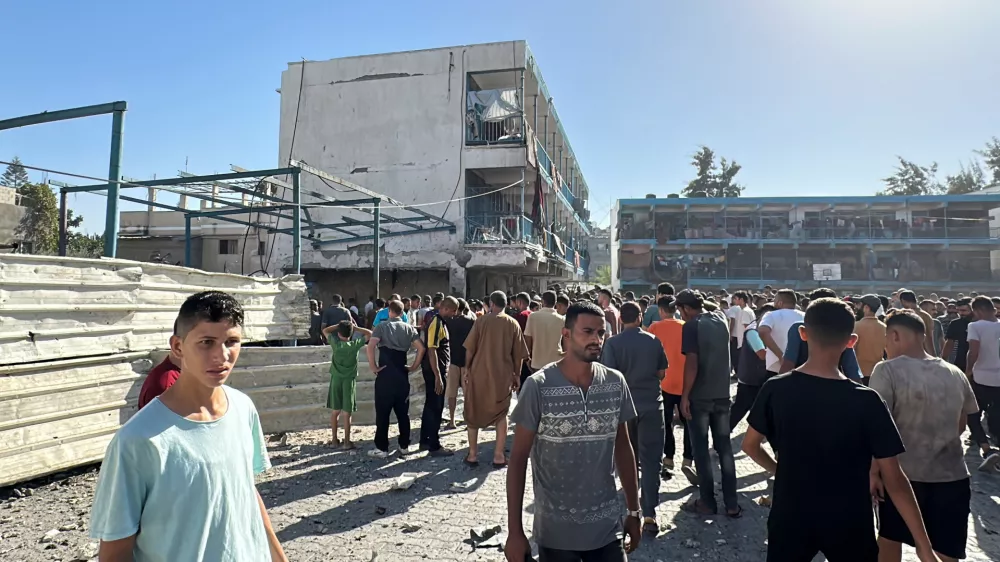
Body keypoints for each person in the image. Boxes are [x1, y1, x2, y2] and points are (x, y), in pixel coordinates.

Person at [89, 291, 288, 562]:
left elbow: (244, 492)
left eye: (231, 341)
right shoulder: (137, 440)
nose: (222, 355)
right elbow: (115, 552)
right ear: (178, 347)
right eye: (206, 342)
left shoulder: (243, 409)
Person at [741, 298, 938, 562]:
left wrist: (781, 470)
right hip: (850, 519)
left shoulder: (775, 389)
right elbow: (895, 478)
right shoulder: (867, 400)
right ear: (851, 341)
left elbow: (750, 446)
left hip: (791, 514)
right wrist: (923, 545)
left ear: (802, 334)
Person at [505, 302, 641, 562]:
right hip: (556, 534)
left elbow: (623, 447)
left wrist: (634, 511)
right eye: (587, 331)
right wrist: (515, 531)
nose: (596, 339)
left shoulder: (615, 383)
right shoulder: (538, 387)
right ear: (566, 335)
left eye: (601, 333)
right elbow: (519, 459)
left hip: (607, 528)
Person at [870, 310, 978, 562]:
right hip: (953, 475)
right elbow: (962, 425)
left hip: (902, 478)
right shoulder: (954, 372)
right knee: (948, 550)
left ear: (894, 335)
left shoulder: (886, 370)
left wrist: (873, 471)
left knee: (889, 539)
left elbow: (877, 429)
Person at [600, 302, 668, 533]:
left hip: (623, 409)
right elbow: (661, 372)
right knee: (651, 460)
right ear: (640, 317)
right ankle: (649, 512)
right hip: (651, 405)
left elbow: (607, 378)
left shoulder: (612, 344)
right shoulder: (653, 340)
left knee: (626, 458)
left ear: (621, 320)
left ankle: (632, 508)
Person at [676, 290, 740, 517]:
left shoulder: (691, 326)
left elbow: (692, 363)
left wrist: (684, 396)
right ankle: (732, 504)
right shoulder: (720, 318)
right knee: (724, 449)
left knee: (701, 450)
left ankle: (707, 502)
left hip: (700, 397)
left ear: (685, 308)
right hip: (722, 394)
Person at [463, 291, 529, 467]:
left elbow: (469, 349)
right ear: (506, 304)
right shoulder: (512, 323)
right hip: (502, 376)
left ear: (491, 304)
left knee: (473, 411)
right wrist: (516, 375)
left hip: (479, 374)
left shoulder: (481, 321)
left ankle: (472, 455)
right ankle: (499, 456)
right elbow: (518, 356)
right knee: (501, 414)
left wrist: (467, 369)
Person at [366, 300, 425, 458]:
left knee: (383, 413)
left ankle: (382, 448)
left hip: (385, 373)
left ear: (389, 311)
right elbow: (421, 348)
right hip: (401, 372)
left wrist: (373, 366)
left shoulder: (382, 327)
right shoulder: (409, 328)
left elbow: (370, 346)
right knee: (403, 413)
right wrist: (413, 367)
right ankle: (404, 445)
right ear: (402, 312)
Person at [778, 288, 863, 380]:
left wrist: (779, 385)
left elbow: (788, 363)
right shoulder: (841, 331)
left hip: (799, 383)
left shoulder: (798, 328)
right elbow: (852, 370)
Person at [648, 296, 690, 478]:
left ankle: (668, 458)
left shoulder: (655, 328)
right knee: (689, 423)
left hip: (663, 383)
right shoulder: (686, 327)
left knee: (665, 423)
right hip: (686, 383)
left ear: (661, 310)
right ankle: (688, 459)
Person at [321, 320, 372, 449]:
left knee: (335, 411)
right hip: (349, 380)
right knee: (347, 413)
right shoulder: (354, 345)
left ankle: (334, 440)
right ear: (350, 334)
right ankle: (347, 442)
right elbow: (370, 333)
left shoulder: (335, 344)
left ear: (339, 333)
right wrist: (356, 328)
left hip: (336, 379)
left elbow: (325, 331)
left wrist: (338, 325)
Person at [419, 296, 457, 456]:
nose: (454, 314)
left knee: (431, 405)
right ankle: (434, 445)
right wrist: (438, 376)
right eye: (453, 311)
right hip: (435, 370)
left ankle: (425, 441)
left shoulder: (439, 322)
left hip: (436, 370)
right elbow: (432, 349)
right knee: (436, 406)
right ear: (446, 309)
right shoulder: (437, 322)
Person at [966, 295, 1000, 470]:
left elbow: (973, 352)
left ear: (978, 310)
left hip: (981, 378)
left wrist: (968, 371)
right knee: (996, 416)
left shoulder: (975, 326)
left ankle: (986, 449)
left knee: (972, 414)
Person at [729, 304, 773, 431]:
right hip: (750, 379)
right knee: (740, 408)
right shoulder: (753, 331)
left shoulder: (763, 329)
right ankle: (722, 435)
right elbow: (762, 354)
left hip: (759, 377)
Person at [444, 298, 476, 429]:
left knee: (452, 393)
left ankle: (452, 421)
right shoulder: (471, 322)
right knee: (467, 392)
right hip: (467, 361)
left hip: (452, 360)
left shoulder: (448, 321)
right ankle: (468, 419)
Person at [758, 289, 804, 378]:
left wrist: (781, 356)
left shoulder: (770, 315)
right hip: (800, 365)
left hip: (775, 366)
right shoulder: (805, 315)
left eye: (775, 300)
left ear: (780, 303)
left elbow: (763, 331)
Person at [525, 290, 565, 373]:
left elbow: (528, 339)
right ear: (556, 303)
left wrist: (527, 358)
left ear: (542, 301)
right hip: (556, 361)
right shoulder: (562, 320)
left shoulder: (532, 317)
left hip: (537, 362)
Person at [854, 294, 887, 384]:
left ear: (866, 308)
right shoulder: (884, 327)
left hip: (859, 374)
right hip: (878, 373)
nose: (857, 308)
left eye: (859, 305)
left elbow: (851, 351)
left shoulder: (856, 326)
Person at [900, 290, 937, 355]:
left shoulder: (904, 315)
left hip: (908, 354)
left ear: (903, 301)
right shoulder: (927, 316)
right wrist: (933, 356)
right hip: (925, 355)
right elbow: (930, 338)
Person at [726, 291, 754, 371]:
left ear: (741, 299)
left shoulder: (744, 311)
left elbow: (747, 327)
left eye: (736, 299)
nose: (734, 300)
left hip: (744, 341)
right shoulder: (747, 310)